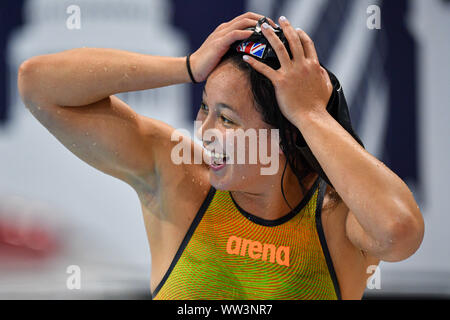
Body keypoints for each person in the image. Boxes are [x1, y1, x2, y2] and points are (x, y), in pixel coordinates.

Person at [18, 12, 424, 300]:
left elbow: (400, 231)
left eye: (227, 120)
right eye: (204, 108)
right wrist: (188, 66)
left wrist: (309, 112)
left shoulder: (336, 215)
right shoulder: (178, 177)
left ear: (285, 135)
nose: (205, 132)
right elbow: (37, 84)